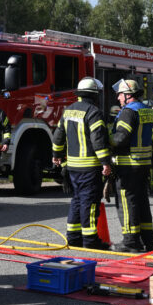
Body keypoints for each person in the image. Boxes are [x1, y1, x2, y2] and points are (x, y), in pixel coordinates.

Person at [51, 77, 113, 250]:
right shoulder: (93, 112)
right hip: (90, 167)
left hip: (72, 167)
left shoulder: (68, 111)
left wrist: (56, 154)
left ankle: (73, 238)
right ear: (94, 95)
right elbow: (98, 140)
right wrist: (105, 162)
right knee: (90, 203)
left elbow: (58, 136)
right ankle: (90, 241)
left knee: (77, 201)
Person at [109, 79, 153, 253]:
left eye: (120, 94)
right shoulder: (147, 110)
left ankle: (130, 242)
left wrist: (106, 140)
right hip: (143, 164)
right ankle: (147, 240)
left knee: (127, 203)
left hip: (128, 164)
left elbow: (121, 138)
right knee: (142, 201)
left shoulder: (128, 112)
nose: (119, 98)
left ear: (128, 95)